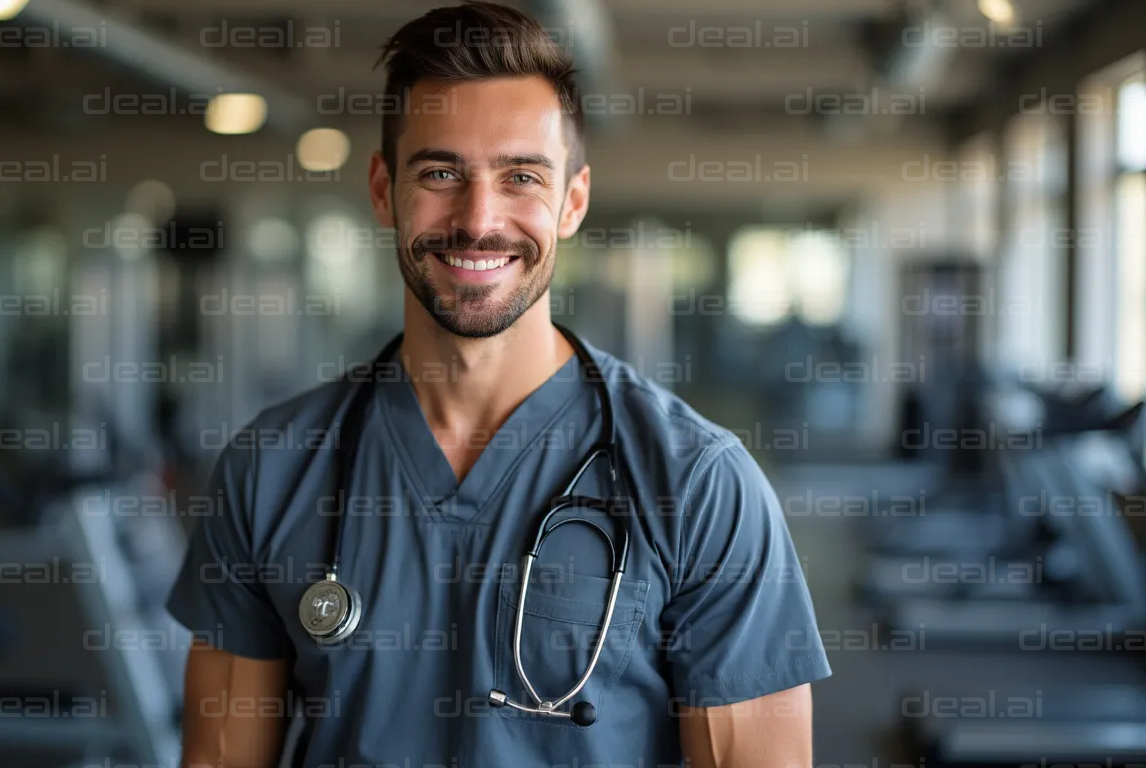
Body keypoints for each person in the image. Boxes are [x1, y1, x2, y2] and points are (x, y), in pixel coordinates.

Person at [166, 3, 831, 766]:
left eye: (521, 176)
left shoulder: (699, 484)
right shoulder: (274, 466)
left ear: (572, 201)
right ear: (384, 190)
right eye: (441, 172)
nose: (479, 219)